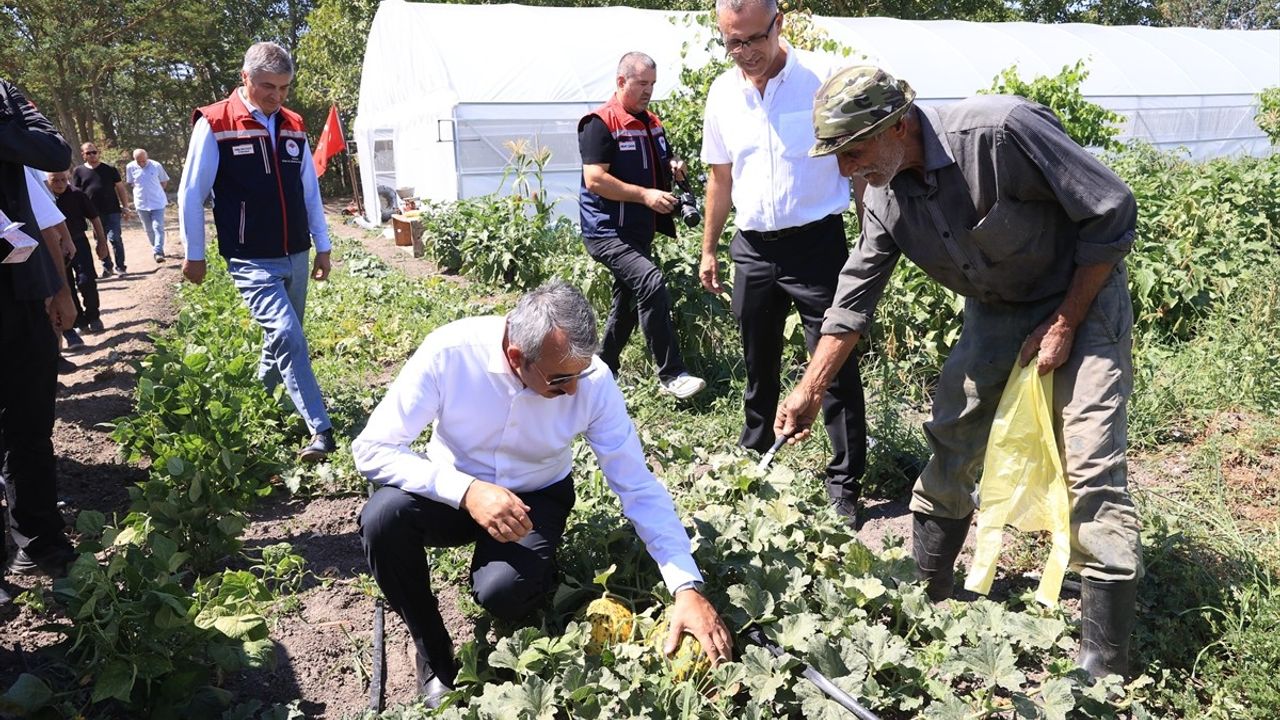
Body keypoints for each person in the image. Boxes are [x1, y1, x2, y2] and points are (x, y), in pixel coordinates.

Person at [775, 65, 1142, 680]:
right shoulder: (883, 189)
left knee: (1090, 461)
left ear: (897, 126)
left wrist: (1066, 322)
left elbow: (1111, 209)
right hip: (995, 310)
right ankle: (929, 598)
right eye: (837, 158)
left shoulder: (1001, 131)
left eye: (854, 152)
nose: (846, 172)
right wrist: (810, 388)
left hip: (1083, 294)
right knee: (951, 435)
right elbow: (854, 296)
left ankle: (1105, 666)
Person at [352, 280, 734, 706]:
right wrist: (467, 491)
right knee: (383, 518)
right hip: (452, 490)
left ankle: (532, 567)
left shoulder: (593, 381)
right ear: (517, 358)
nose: (572, 390)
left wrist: (686, 586)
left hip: (536, 496)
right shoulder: (450, 352)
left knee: (506, 593)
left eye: (580, 374)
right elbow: (371, 449)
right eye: (560, 380)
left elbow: (638, 484)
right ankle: (434, 655)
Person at [698, 0, 865, 525]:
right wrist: (709, 247)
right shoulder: (723, 93)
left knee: (833, 365)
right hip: (753, 246)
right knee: (757, 357)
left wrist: (870, 238)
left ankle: (844, 481)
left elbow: (857, 164)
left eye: (753, 39)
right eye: (733, 42)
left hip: (816, 245)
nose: (744, 52)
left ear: (779, 24)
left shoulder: (823, 78)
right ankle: (755, 458)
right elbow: (720, 179)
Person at [177, 41, 335, 462]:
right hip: (249, 256)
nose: (276, 97)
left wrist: (323, 245)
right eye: (268, 86)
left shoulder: (293, 124)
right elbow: (192, 193)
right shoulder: (215, 123)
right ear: (245, 77)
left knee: (282, 339)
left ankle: (262, 404)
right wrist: (195, 254)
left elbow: (309, 191)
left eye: (284, 88)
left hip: (295, 251)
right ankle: (321, 429)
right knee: (287, 334)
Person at [578, 51, 705, 400]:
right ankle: (672, 374)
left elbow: (657, 163)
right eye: (641, 84)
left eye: (652, 84)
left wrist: (674, 167)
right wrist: (646, 196)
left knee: (628, 302)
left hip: (638, 231)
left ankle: (601, 372)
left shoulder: (652, 122)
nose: (649, 90)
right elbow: (595, 179)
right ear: (621, 82)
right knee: (650, 282)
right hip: (605, 230)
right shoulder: (599, 123)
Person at [0, 77, 78, 601]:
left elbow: (52, 150)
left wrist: (55, 286)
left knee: (30, 423)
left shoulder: (4, 95)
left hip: (18, 284)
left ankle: (39, 540)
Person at [46, 170, 108, 335]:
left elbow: (94, 217)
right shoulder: (44, 199)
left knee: (86, 279)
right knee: (67, 285)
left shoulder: (77, 194)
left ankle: (94, 317)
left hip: (78, 242)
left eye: (63, 179)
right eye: (55, 180)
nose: (60, 184)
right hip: (55, 247)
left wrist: (102, 242)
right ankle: (79, 321)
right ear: (47, 180)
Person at [71, 141, 131, 276]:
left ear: (98, 153)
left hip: (112, 210)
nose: (92, 155)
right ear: (83, 155)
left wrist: (126, 207)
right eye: (88, 153)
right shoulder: (78, 171)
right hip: (92, 213)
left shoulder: (109, 169)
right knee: (100, 240)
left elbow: (120, 188)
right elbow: (76, 193)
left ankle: (121, 267)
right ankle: (107, 267)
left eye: (94, 152)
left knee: (115, 237)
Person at [125, 148, 170, 263]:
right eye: (139, 161)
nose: (142, 163)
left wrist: (156, 191)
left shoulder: (156, 165)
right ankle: (156, 247)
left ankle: (158, 251)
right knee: (149, 229)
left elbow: (164, 181)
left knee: (157, 227)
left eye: (144, 161)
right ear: (134, 159)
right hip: (141, 203)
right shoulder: (130, 167)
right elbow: (131, 183)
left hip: (157, 202)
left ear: (147, 157)